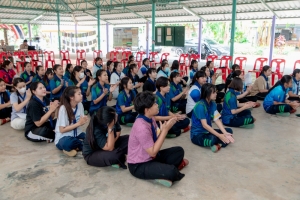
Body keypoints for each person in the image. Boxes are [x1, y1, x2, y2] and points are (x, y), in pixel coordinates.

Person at [127, 91, 188, 187]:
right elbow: (153, 152)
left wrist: (171, 119)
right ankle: (162, 173)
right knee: (171, 171)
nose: (157, 105)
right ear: (147, 110)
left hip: (151, 157)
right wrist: (165, 131)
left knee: (179, 151)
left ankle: (159, 170)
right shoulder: (141, 127)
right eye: (154, 104)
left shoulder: (149, 117)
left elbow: (156, 144)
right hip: (139, 165)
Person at [191, 83, 234, 152]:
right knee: (212, 139)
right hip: (198, 135)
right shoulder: (200, 106)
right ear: (207, 93)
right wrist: (219, 135)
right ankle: (220, 143)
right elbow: (204, 125)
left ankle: (219, 144)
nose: (216, 94)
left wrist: (224, 133)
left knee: (229, 131)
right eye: (213, 92)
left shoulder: (213, 103)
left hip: (208, 131)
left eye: (216, 92)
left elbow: (217, 120)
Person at [55, 86, 88, 157]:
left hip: (77, 134)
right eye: (79, 94)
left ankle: (75, 148)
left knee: (90, 137)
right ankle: (80, 145)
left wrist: (82, 121)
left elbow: (79, 123)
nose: (81, 95)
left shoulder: (80, 105)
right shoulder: (63, 109)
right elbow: (62, 130)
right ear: (71, 97)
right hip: (64, 137)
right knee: (68, 143)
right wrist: (79, 123)